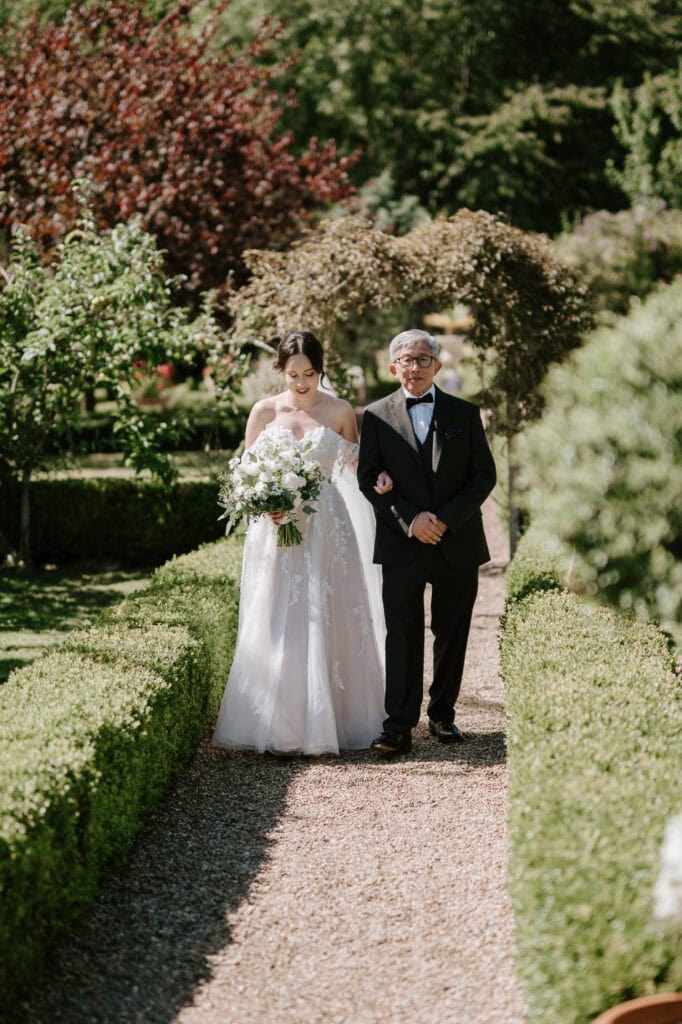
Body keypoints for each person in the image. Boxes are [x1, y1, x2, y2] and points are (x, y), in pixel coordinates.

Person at [212, 330, 390, 756]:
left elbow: (356, 465)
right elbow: (246, 475)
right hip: (276, 532)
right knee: (279, 615)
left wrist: (382, 477)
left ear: (320, 370)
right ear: (281, 370)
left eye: (310, 373)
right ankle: (280, 724)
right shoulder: (263, 411)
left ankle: (336, 719)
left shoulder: (340, 410)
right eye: (294, 374)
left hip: (328, 528)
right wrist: (266, 504)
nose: (302, 382)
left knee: (330, 613)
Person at [358, 329, 496, 756]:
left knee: (452, 631)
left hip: (457, 540)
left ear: (437, 366)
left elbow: (483, 476)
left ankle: (442, 714)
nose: (414, 367)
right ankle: (397, 726)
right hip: (402, 543)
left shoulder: (464, 413)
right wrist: (410, 520)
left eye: (422, 359)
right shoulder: (375, 416)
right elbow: (368, 478)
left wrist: (444, 520)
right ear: (393, 367)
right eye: (406, 359)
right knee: (401, 633)